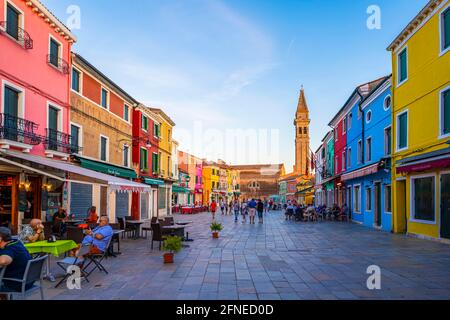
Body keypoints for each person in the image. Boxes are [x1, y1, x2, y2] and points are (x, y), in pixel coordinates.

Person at [0, 227, 33, 297]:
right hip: (29, 281)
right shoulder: (17, 242)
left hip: (16, 284)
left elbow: (3, 261)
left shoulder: (9, 249)